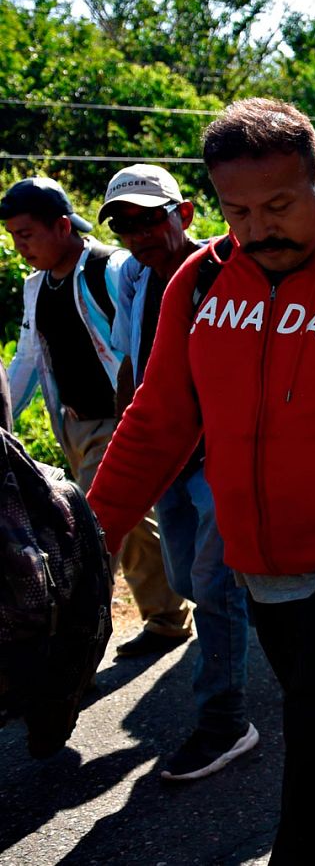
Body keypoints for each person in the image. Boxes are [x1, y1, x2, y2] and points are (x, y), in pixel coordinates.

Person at [85, 99, 315, 863]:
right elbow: (155, 422)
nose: (258, 227)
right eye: (237, 210)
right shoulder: (204, 276)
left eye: (280, 204)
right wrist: (93, 542)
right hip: (262, 580)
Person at [98, 164, 257, 780]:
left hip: (217, 455)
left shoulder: (227, 272)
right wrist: (126, 426)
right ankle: (263, 626)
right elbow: (129, 357)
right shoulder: (135, 279)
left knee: (214, 589)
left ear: (183, 213)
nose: (139, 233)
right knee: (189, 578)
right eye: (126, 224)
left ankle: (224, 721)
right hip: (168, 455)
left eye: (150, 218)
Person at [1, 176, 191, 657]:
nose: (19, 246)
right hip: (73, 423)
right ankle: (167, 617)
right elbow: (27, 359)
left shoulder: (110, 267)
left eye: (25, 234)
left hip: (116, 417)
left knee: (91, 529)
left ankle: (75, 642)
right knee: (135, 526)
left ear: (61, 226)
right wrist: (5, 421)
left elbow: (135, 341)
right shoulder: (36, 287)